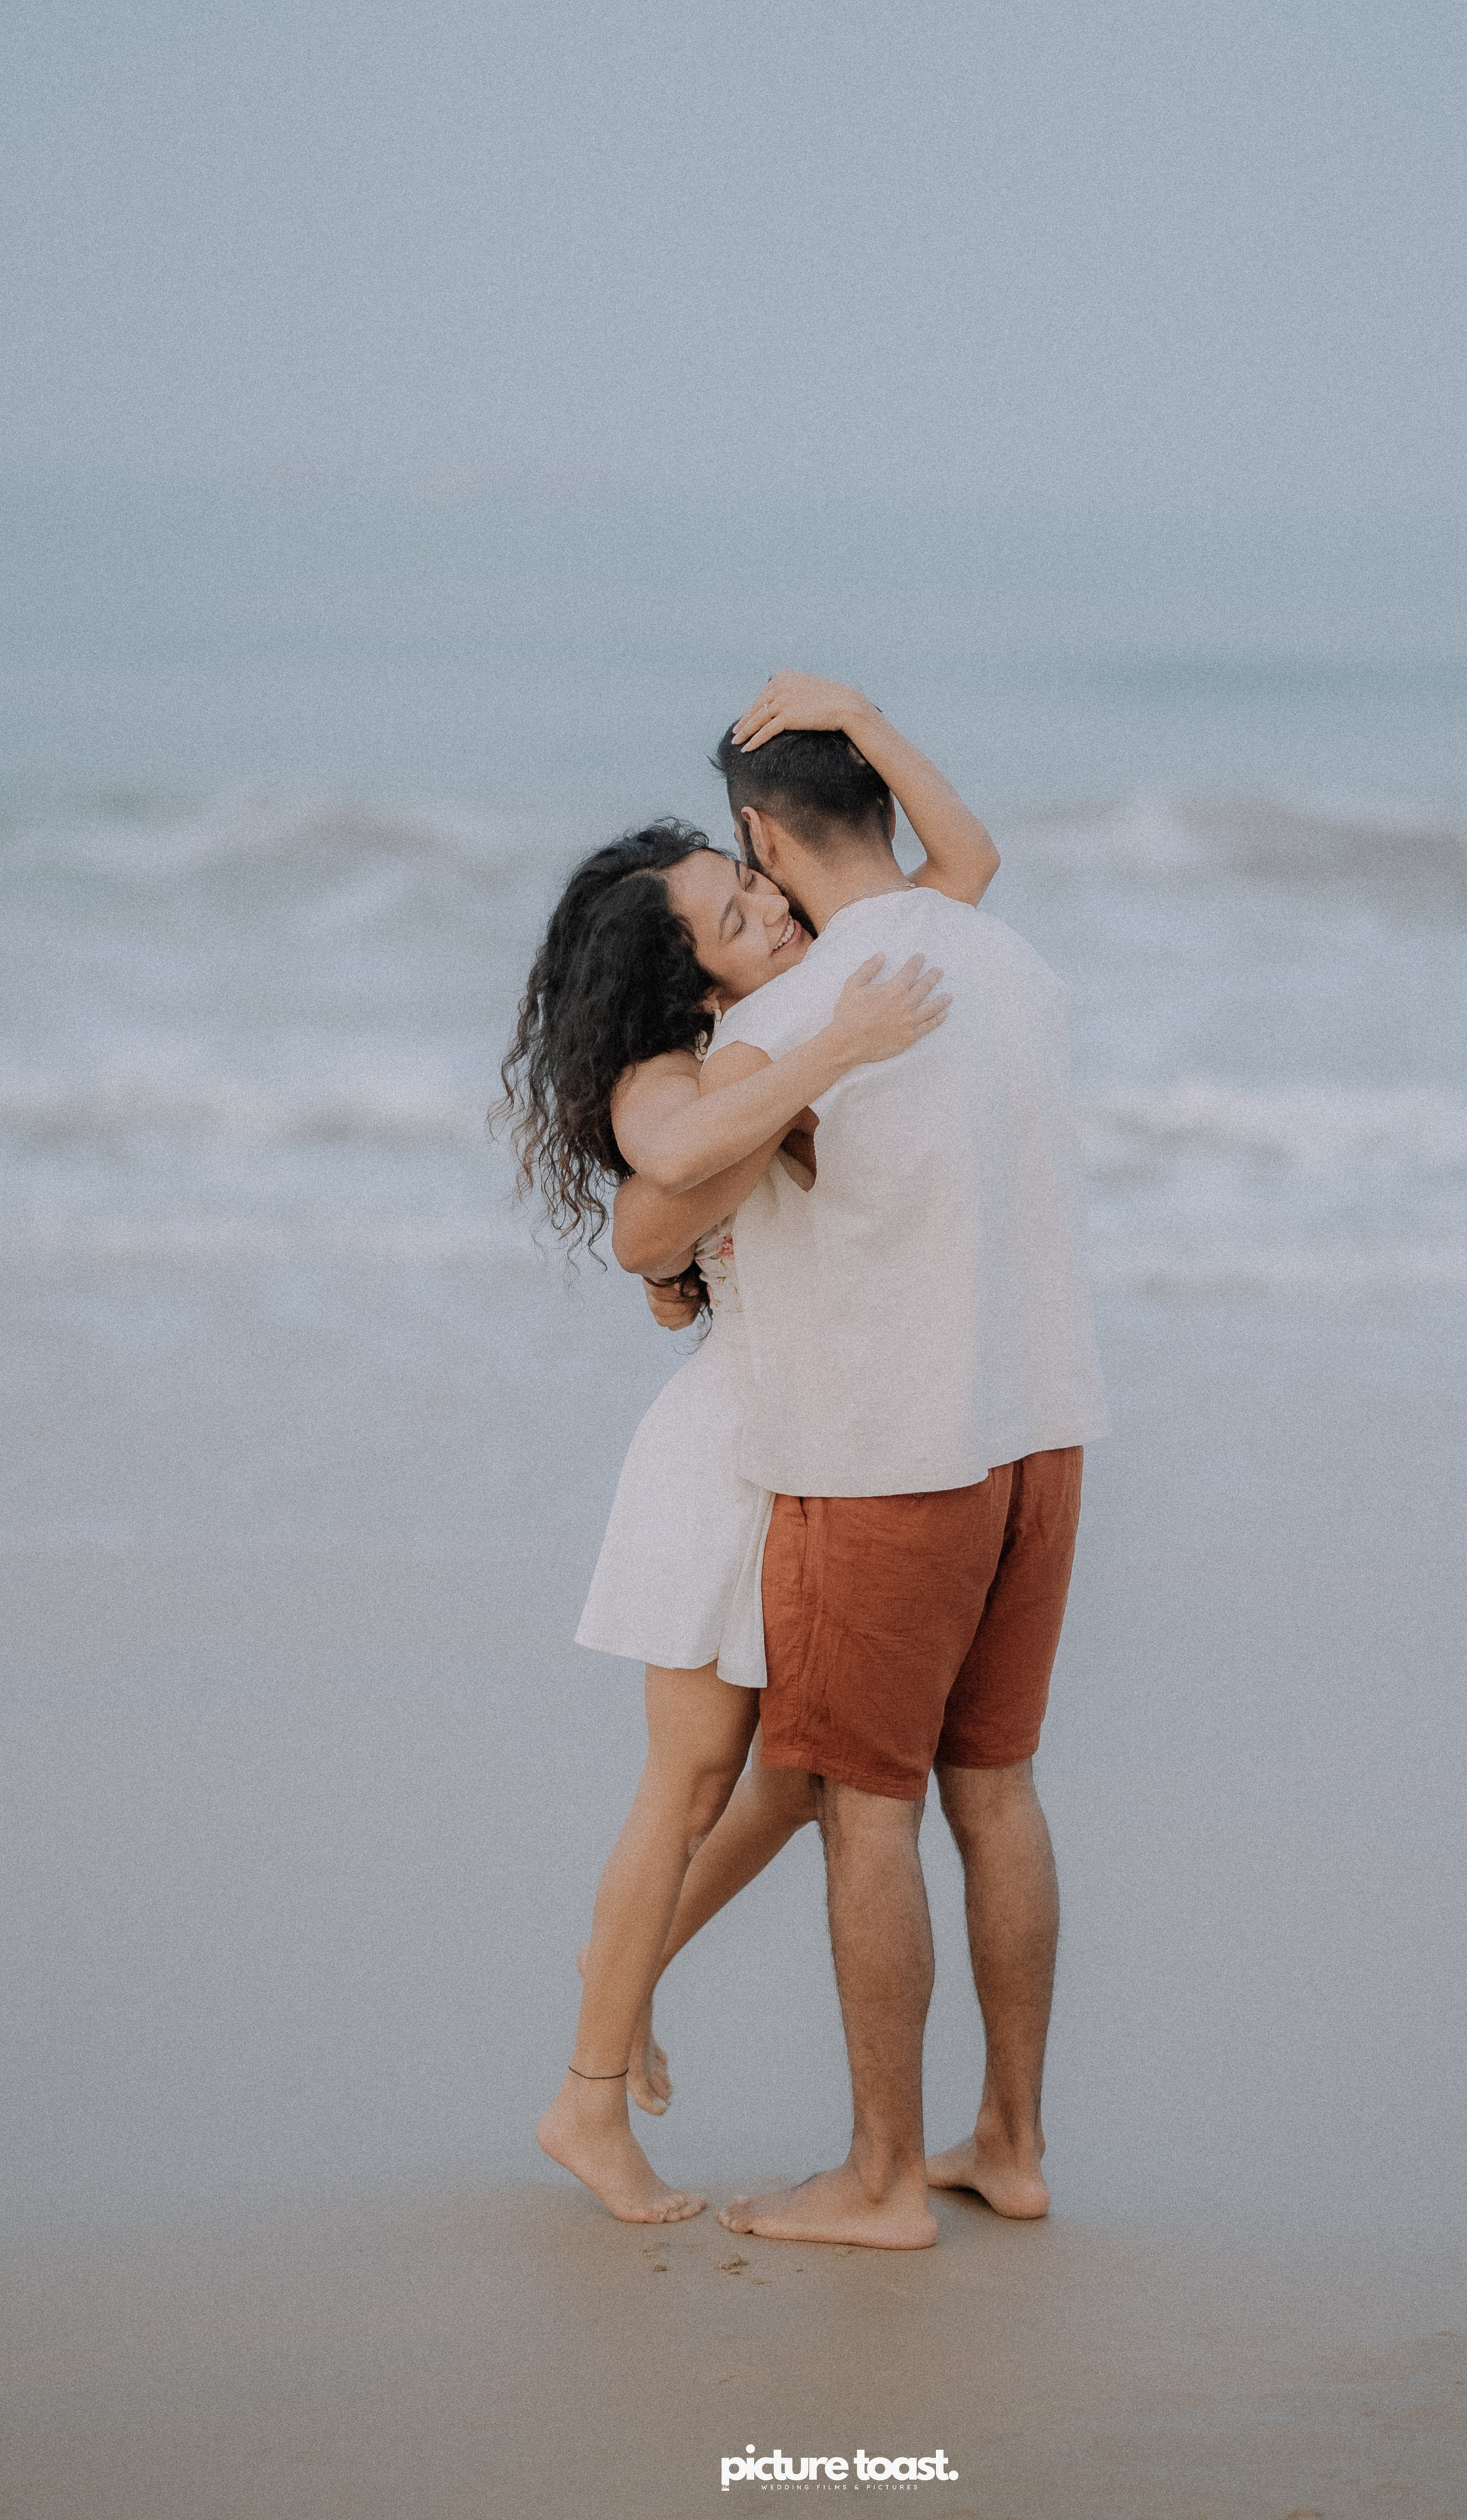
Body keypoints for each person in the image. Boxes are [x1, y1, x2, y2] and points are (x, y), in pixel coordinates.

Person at [612, 672, 1109, 2248]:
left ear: (759, 835)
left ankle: (883, 2178)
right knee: (998, 1792)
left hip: (886, 1461)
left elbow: (654, 1211)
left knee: (872, 1811)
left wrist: (657, 1262)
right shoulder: (1000, 958)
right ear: (875, 800)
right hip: (1037, 1436)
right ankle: (1008, 2147)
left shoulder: (776, 1028)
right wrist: (877, 721)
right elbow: (961, 857)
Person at [495, 684, 1000, 2225]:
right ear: (683, 966)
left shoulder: (770, 1016)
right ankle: (591, 2092)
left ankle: (621, 1977)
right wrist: (838, 1042)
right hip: (726, 1451)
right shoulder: (683, 1063)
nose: (771, 908)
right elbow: (655, 1188)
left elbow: (965, 869)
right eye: (733, 909)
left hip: (797, 1429)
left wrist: (865, 716)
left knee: (788, 1776)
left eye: (756, 881)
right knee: (699, 1775)